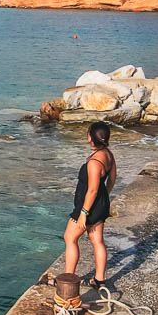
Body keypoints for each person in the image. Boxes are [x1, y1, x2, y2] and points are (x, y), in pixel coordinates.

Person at [64, 121, 117, 290]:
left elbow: (92, 190)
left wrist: (83, 213)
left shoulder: (95, 162)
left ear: (90, 138)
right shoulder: (108, 154)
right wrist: (105, 197)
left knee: (70, 238)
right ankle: (99, 279)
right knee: (97, 240)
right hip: (100, 204)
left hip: (89, 206)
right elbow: (113, 178)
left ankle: (68, 278)